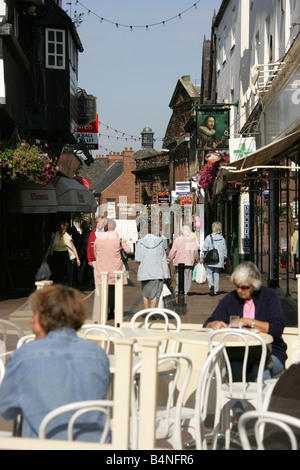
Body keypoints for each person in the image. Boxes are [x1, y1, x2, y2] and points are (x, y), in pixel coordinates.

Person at [0, 285, 110, 442]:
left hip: (43, 443)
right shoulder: (98, 354)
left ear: (46, 316)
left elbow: (6, 409)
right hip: (95, 443)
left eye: (35, 313)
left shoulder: (24, 355)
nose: (31, 319)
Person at [203, 261, 287, 379]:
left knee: (260, 370)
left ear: (255, 284)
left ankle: (261, 397)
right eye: (236, 285)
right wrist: (214, 324)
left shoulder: (269, 296)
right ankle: (237, 398)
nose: (239, 290)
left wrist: (247, 321)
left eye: (244, 287)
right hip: (239, 353)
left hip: (271, 351)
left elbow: (277, 329)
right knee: (235, 371)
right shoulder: (231, 298)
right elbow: (207, 323)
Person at [94, 219, 131, 320]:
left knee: (102, 291)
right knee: (115, 292)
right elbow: (128, 250)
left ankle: (103, 311)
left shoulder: (99, 238)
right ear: (114, 227)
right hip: (115, 269)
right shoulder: (118, 238)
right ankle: (112, 311)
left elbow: (95, 252)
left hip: (101, 269)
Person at [135, 226, 170, 309]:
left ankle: (146, 310)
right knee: (155, 293)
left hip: (144, 271)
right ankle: (152, 312)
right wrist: (166, 274)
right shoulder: (159, 242)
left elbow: (137, 259)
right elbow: (163, 259)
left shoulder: (140, 242)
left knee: (145, 292)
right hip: (157, 271)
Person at [43, 221, 80, 286]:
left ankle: (60, 286)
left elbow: (73, 247)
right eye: (61, 229)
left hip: (63, 255)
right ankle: (55, 285)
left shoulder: (67, 236)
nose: (62, 231)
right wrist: (46, 256)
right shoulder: (54, 235)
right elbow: (50, 246)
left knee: (61, 272)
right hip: (55, 254)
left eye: (64, 229)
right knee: (54, 271)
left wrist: (77, 258)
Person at [167, 225, 199, 296]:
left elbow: (173, 251)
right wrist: (196, 259)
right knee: (187, 278)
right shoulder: (192, 241)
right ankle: (185, 291)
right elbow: (195, 252)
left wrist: (169, 259)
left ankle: (179, 290)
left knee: (178, 276)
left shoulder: (177, 240)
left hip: (179, 261)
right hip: (189, 262)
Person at [200, 221, 227, 296]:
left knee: (209, 273)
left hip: (210, 259)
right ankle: (215, 290)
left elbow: (204, 248)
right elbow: (224, 249)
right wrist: (224, 258)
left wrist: (202, 257)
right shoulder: (222, 238)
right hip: (219, 259)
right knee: (216, 274)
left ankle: (211, 285)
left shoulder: (209, 237)